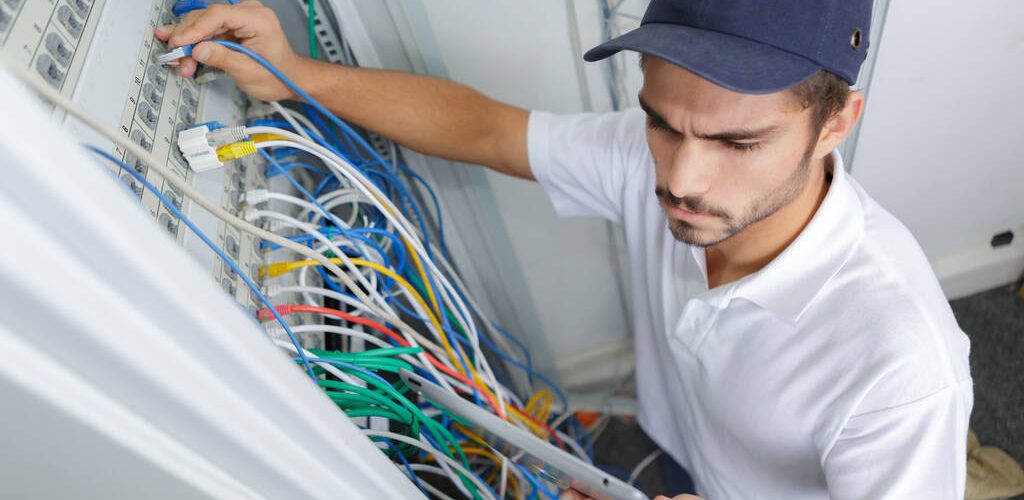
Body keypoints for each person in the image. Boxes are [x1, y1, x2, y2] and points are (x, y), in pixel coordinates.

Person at [157, 0, 973, 497]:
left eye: (738, 143)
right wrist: (294, 72)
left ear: (837, 123)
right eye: (661, 121)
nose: (680, 178)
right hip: (679, 459)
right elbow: (485, 127)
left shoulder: (900, 369)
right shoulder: (646, 158)